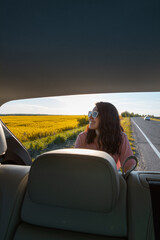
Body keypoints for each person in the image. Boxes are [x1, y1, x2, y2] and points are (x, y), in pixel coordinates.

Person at [75, 102, 136, 172]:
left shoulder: (121, 137)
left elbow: (129, 166)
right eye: (90, 113)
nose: (90, 117)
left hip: (110, 177)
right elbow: (75, 165)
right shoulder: (82, 137)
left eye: (94, 114)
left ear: (106, 118)